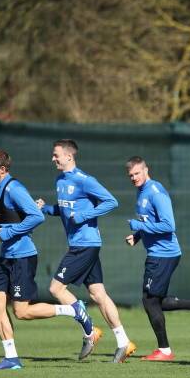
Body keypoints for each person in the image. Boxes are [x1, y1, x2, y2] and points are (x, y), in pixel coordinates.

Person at [0, 149, 91, 370]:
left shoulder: (14, 189)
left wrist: (7, 234)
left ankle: (73, 310)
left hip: (23, 257)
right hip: (5, 257)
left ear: (2, 169)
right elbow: (6, 224)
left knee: (22, 312)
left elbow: (36, 216)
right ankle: (11, 358)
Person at [36, 139, 136, 363]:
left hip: (86, 244)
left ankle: (89, 330)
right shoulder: (60, 180)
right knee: (98, 295)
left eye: (56, 155)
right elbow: (64, 210)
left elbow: (111, 202)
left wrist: (83, 216)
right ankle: (123, 342)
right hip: (80, 244)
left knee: (56, 288)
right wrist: (46, 209)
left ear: (69, 157)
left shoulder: (84, 180)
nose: (53, 159)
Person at [125, 156, 190, 361]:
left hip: (164, 254)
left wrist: (139, 227)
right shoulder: (141, 191)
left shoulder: (155, 192)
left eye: (137, 173)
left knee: (149, 301)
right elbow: (149, 220)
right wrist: (138, 236)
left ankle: (164, 350)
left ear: (146, 170)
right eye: (131, 175)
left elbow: (169, 225)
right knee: (157, 301)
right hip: (157, 254)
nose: (134, 178)